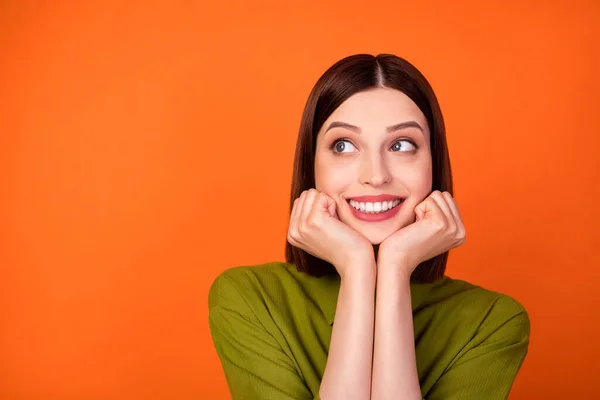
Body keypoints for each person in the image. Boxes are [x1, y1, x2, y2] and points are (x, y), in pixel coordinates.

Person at [208, 53, 530, 400]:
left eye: (401, 145)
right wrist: (358, 266)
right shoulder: (250, 299)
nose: (375, 176)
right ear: (311, 165)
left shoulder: (492, 322)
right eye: (343, 146)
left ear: (433, 164)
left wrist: (394, 267)